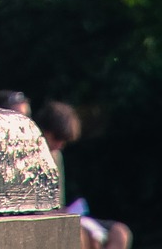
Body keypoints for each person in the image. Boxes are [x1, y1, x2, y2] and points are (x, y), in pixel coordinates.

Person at [36, 101, 132, 249]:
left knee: (120, 233)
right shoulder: (32, 157)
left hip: (62, 213)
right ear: (44, 131)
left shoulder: (56, 156)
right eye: (57, 138)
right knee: (82, 235)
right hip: (44, 218)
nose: (60, 145)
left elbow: (57, 201)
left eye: (64, 141)